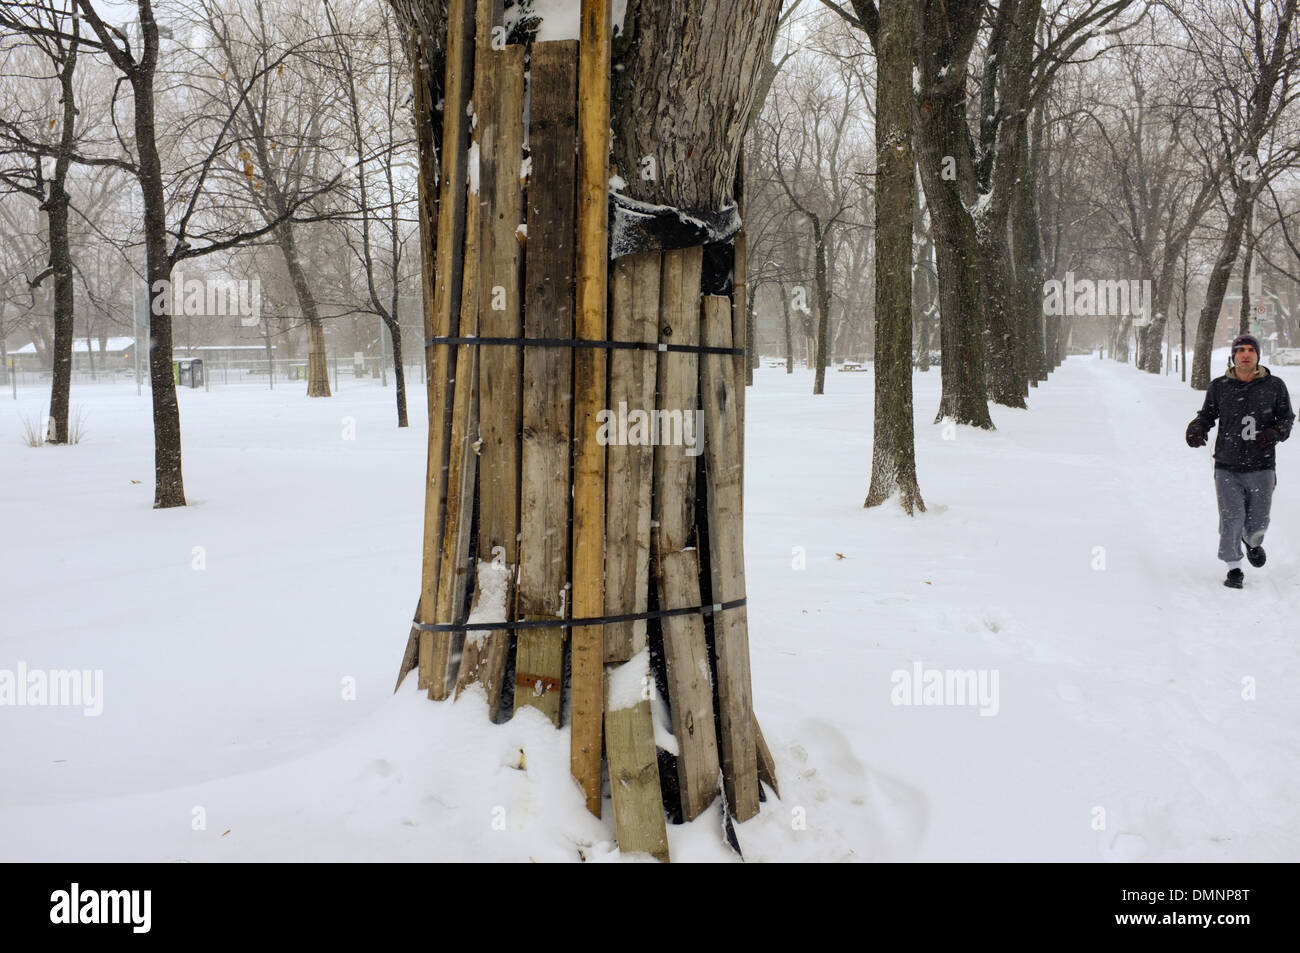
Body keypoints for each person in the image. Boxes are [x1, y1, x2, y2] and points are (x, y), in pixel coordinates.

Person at [1185, 334, 1295, 588]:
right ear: (1233, 356)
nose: (1246, 354)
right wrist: (1197, 427)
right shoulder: (1220, 386)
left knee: (1258, 521)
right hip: (1227, 465)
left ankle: (1253, 542)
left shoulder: (1274, 385)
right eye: (1241, 350)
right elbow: (1207, 415)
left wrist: (1276, 433)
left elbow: (1286, 419)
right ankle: (1234, 568)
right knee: (1231, 517)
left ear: (1258, 355)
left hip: (1262, 466)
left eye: (1251, 350)